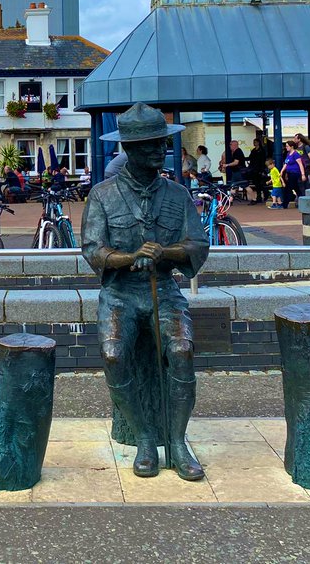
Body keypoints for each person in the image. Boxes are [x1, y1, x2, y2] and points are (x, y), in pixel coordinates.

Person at [81, 102, 209, 481]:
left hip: (164, 291)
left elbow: (198, 245)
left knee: (182, 350)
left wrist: (165, 253)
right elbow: (92, 250)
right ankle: (145, 440)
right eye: (152, 145)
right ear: (132, 150)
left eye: (162, 144)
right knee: (113, 354)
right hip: (120, 294)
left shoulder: (178, 195)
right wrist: (127, 257)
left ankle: (178, 440)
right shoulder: (102, 196)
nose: (161, 151)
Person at [281, 140, 307, 208]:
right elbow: (286, 164)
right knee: (296, 189)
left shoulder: (296, 154)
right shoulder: (288, 154)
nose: (286, 147)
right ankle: (302, 201)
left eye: (287, 146)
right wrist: (282, 171)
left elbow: (300, 164)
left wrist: (303, 174)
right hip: (290, 173)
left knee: (288, 188)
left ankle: (285, 204)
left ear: (291, 147)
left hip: (295, 173)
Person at [247, 137, 268, 204]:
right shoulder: (253, 150)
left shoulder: (262, 150)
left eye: (255, 142)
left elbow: (263, 160)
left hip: (260, 169)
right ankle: (259, 197)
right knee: (257, 184)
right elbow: (250, 158)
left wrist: (262, 169)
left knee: (261, 184)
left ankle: (265, 195)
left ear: (258, 142)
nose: (254, 143)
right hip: (254, 169)